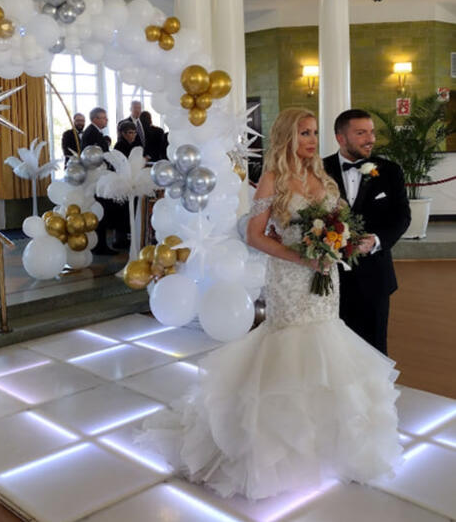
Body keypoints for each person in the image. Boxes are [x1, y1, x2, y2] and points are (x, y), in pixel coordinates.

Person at [138, 108, 401, 500]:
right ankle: (276, 451)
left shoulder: (323, 177)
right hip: (291, 278)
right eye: (303, 133)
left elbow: (340, 221)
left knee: (327, 350)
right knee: (290, 349)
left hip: (326, 278)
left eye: (313, 132)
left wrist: (337, 243)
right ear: (287, 138)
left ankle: (326, 445)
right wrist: (302, 257)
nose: (311, 140)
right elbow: (254, 235)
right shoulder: (276, 179)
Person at [323, 109, 411, 354]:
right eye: (361, 133)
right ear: (341, 138)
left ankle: (376, 391)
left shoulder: (390, 171)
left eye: (371, 132)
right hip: (329, 276)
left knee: (374, 347)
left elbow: (402, 217)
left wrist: (376, 240)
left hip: (375, 276)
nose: (370, 138)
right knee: (334, 346)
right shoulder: (318, 170)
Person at [81, 108, 116, 254]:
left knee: (102, 211)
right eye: (103, 118)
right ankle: (100, 245)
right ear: (95, 119)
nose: (106, 120)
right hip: (96, 179)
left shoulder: (95, 132)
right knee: (100, 210)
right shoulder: (91, 133)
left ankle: (101, 244)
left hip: (99, 177)